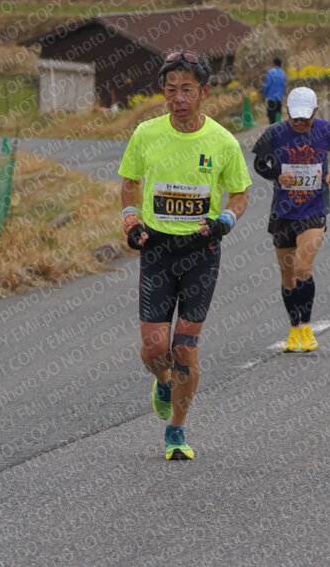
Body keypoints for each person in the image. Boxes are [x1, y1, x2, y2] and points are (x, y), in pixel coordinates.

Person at [119, 50, 251, 460]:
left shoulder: (222, 141)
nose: (178, 98)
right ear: (163, 91)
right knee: (155, 349)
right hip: (157, 250)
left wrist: (225, 220)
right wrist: (130, 219)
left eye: (187, 90)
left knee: (185, 349)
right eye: (171, 89)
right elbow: (129, 183)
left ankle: (176, 430)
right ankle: (163, 382)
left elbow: (240, 193)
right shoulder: (146, 134)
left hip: (201, 251)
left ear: (204, 92)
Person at [251, 87, 330, 353]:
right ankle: (294, 329)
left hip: (314, 209)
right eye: (295, 118)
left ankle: (306, 326)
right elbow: (259, 163)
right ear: (287, 112)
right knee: (288, 276)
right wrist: (277, 176)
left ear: (315, 111)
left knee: (303, 268)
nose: (300, 123)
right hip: (283, 212)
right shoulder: (275, 132)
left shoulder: (327, 130)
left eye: (306, 118)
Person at [262, 57, 286, 124]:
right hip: (279, 98)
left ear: (274, 64)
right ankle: (278, 128)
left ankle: (272, 128)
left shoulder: (271, 72)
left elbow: (267, 84)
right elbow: (283, 86)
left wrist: (264, 93)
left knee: (271, 115)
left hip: (271, 97)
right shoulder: (283, 73)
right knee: (278, 115)